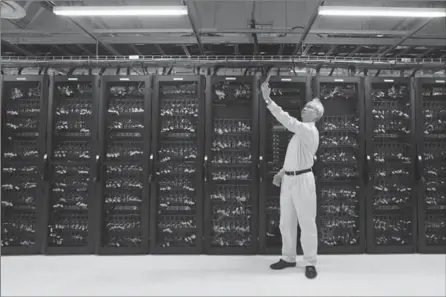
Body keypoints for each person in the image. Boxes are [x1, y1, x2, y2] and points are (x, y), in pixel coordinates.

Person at [260, 73, 324, 279]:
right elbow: (293, 159)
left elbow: (287, 120)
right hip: (289, 180)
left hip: (303, 181)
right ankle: (288, 257)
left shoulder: (308, 130)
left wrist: (268, 100)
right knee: (285, 221)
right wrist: (281, 174)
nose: (305, 109)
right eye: (305, 107)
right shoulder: (299, 135)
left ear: (316, 116)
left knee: (306, 222)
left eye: (310, 108)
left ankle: (310, 262)